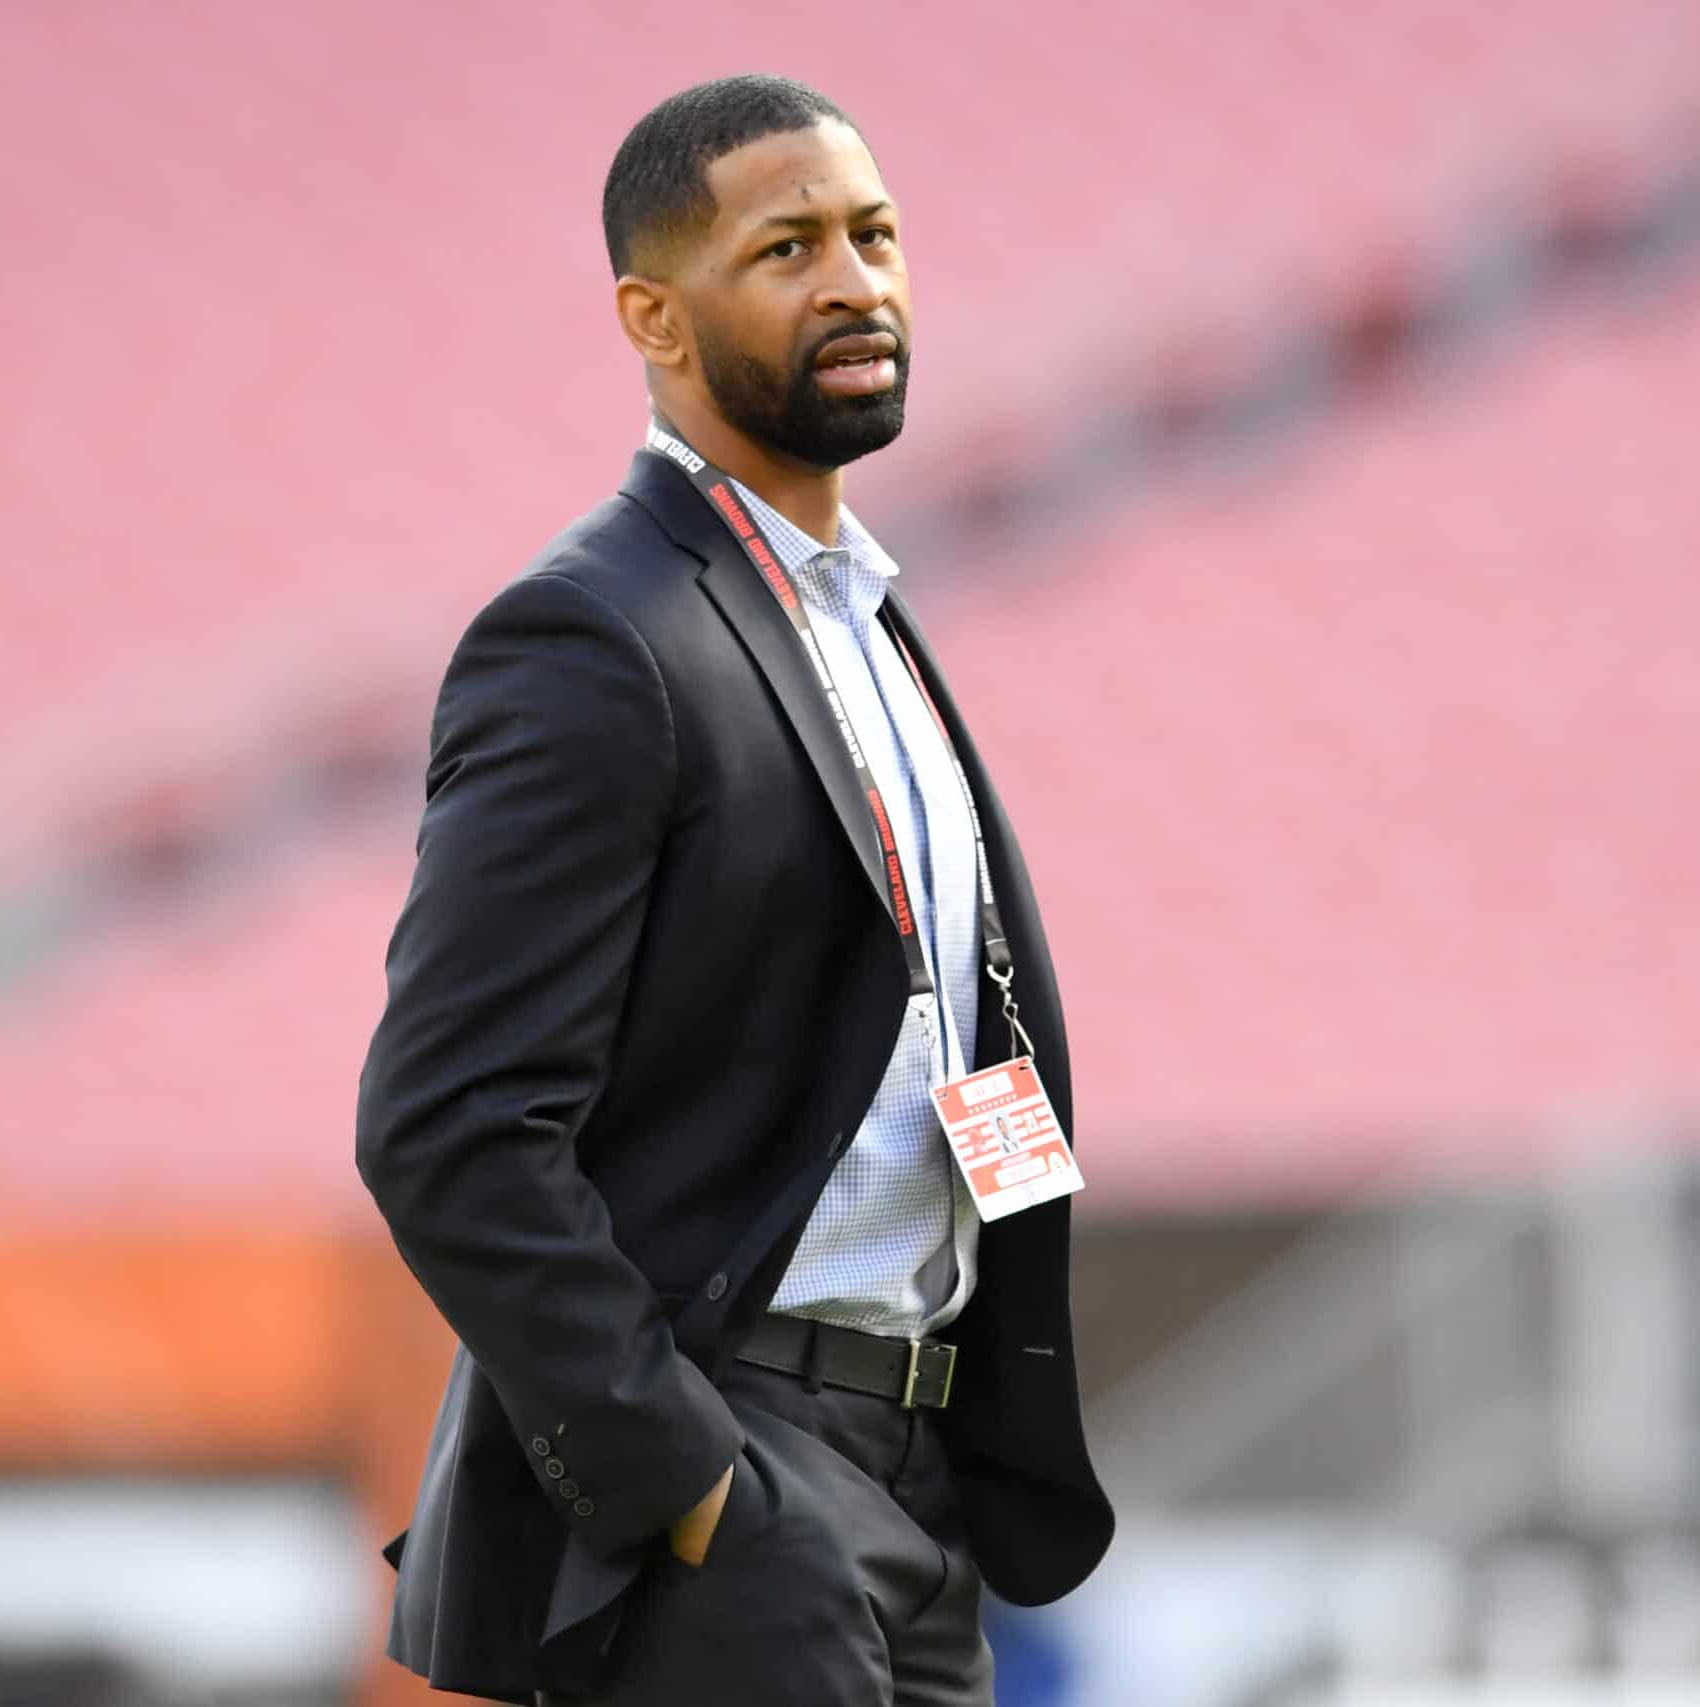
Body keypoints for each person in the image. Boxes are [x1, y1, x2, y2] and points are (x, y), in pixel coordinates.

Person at [354, 74, 1112, 1706]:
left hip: (919, 1483)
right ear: (656, 316)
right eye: (788, 248)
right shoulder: (591, 635)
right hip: (739, 1475)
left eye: (876, 235)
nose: (856, 282)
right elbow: (449, 1129)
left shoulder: (872, 627)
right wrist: (698, 1495)